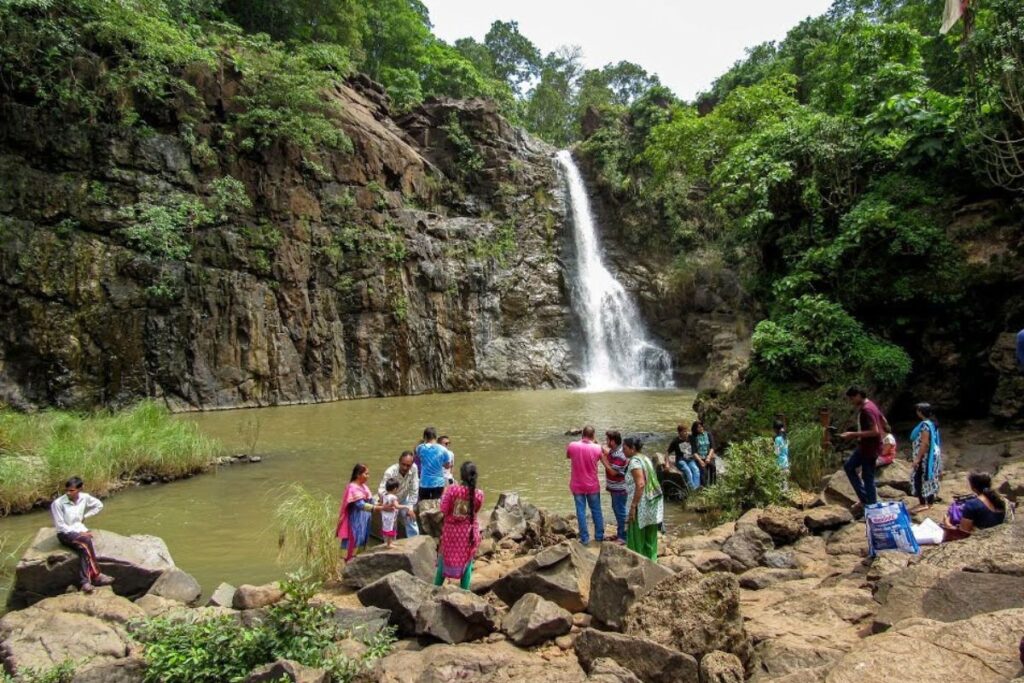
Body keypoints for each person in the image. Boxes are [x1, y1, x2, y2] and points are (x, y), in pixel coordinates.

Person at [50, 476, 115, 593]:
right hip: (65, 534)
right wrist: (78, 532)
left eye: (72, 490)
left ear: (80, 489)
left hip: (79, 530)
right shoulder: (58, 503)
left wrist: (85, 516)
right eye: (67, 490)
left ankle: (85, 582)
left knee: (83, 549)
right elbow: (60, 526)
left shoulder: (84, 498)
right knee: (86, 541)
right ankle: (95, 576)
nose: (68, 493)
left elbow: (99, 505)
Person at [436, 461, 484, 590]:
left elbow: (443, 509)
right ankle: (464, 591)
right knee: (467, 561)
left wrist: (444, 493)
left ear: (461, 476)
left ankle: (435, 588)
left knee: (444, 559)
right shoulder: (478, 494)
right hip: (468, 532)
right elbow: (476, 510)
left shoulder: (452, 490)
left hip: (451, 532)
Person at [840, 386, 887, 512]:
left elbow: (875, 431)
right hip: (866, 447)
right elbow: (883, 420)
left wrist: (853, 434)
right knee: (849, 467)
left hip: (870, 448)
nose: (852, 401)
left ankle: (871, 507)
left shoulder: (867, 410)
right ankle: (865, 499)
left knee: (868, 477)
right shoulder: (871, 405)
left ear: (858, 395)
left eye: (852, 398)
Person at [336, 464, 393, 562]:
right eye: (366, 474)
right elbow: (361, 505)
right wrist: (382, 508)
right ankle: (347, 563)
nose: (368, 476)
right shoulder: (352, 488)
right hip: (355, 521)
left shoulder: (364, 487)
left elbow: (371, 501)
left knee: (362, 541)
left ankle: (358, 562)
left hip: (364, 521)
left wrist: (382, 503)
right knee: (353, 541)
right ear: (358, 474)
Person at [623, 437, 663, 561]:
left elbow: (640, 484)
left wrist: (633, 506)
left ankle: (637, 564)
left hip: (642, 504)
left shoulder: (635, 462)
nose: (623, 451)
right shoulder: (645, 459)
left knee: (636, 537)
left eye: (624, 448)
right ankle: (653, 563)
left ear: (632, 448)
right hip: (653, 501)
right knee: (650, 537)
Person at [566, 425, 605, 544]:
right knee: (596, 510)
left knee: (580, 511)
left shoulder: (572, 445)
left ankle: (585, 538)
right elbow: (602, 459)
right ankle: (599, 536)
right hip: (592, 485)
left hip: (577, 485)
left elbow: (568, 456)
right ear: (593, 435)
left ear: (582, 434)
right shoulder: (598, 448)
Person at [942, 471, 1006, 541]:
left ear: (973, 487)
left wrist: (947, 524)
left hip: (982, 538)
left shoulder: (972, 504)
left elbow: (963, 533)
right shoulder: (1000, 500)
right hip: (997, 535)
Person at [378, 451, 420, 537]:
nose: (405, 467)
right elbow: (381, 489)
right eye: (403, 464)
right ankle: (390, 544)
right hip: (390, 500)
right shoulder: (390, 472)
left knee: (411, 518)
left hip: (404, 498)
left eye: (408, 465)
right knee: (390, 523)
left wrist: (410, 508)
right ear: (399, 462)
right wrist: (385, 502)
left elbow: (414, 489)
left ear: (412, 464)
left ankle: (415, 541)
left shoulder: (414, 468)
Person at [909, 403, 942, 513]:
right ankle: (929, 502)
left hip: (926, 457)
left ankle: (924, 503)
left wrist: (917, 459)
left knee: (919, 478)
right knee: (930, 478)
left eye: (918, 410)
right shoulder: (932, 423)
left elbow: (924, 443)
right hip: (932, 455)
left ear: (921, 412)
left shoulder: (925, 425)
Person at [600, 430, 628, 544]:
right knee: (617, 510)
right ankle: (620, 534)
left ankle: (623, 537)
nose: (606, 441)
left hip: (619, 489)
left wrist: (603, 460)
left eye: (607, 439)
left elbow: (612, 472)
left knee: (620, 512)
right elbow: (606, 451)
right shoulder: (614, 451)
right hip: (615, 488)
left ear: (613, 441)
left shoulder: (620, 455)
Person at [415, 427, 453, 500]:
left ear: (425, 437)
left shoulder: (420, 448)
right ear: (436, 437)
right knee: (436, 506)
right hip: (438, 482)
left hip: (425, 482)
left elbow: (420, 458)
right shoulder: (443, 450)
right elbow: (447, 466)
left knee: (424, 505)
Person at [380, 479, 415, 548]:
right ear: (395, 488)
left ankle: (388, 543)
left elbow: (382, 503)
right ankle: (389, 544)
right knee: (390, 528)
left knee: (386, 528)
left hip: (384, 515)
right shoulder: (393, 497)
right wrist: (406, 506)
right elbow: (397, 506)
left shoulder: (384, 495)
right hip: (390, 516)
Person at [667, 424, 700, 491]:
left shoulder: (691, 438)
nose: (686, 433)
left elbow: (694, 451)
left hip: (690, 459)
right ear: (679, 433)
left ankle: (696, 488)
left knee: (696, 470)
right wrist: (667, 464)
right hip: (680, 460)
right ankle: (693, 489)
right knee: (688, 471)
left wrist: (700, 460)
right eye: (684, 431)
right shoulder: (675, 441)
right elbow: (667, 452)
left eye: (686, 431)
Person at [690, 421, 717, 487]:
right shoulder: (693, 437)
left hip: (709, 456)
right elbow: (694, 452)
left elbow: (712, 447)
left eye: (701, 426)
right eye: (698, 427)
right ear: (695, 429)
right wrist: (700, 461)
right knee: (703, 471)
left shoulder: (708, 434)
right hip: (699, 457)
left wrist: (708, 457)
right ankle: (704, 488)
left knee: (713, 467)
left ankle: (713, 486)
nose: (701, 428)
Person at [773, 420, 790, 489]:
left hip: (780, 462)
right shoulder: (785, 438)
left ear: (776, 429)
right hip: (785, 461)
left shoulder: (777, 439)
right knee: (784, 481)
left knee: (779, 482)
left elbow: (777, 452)